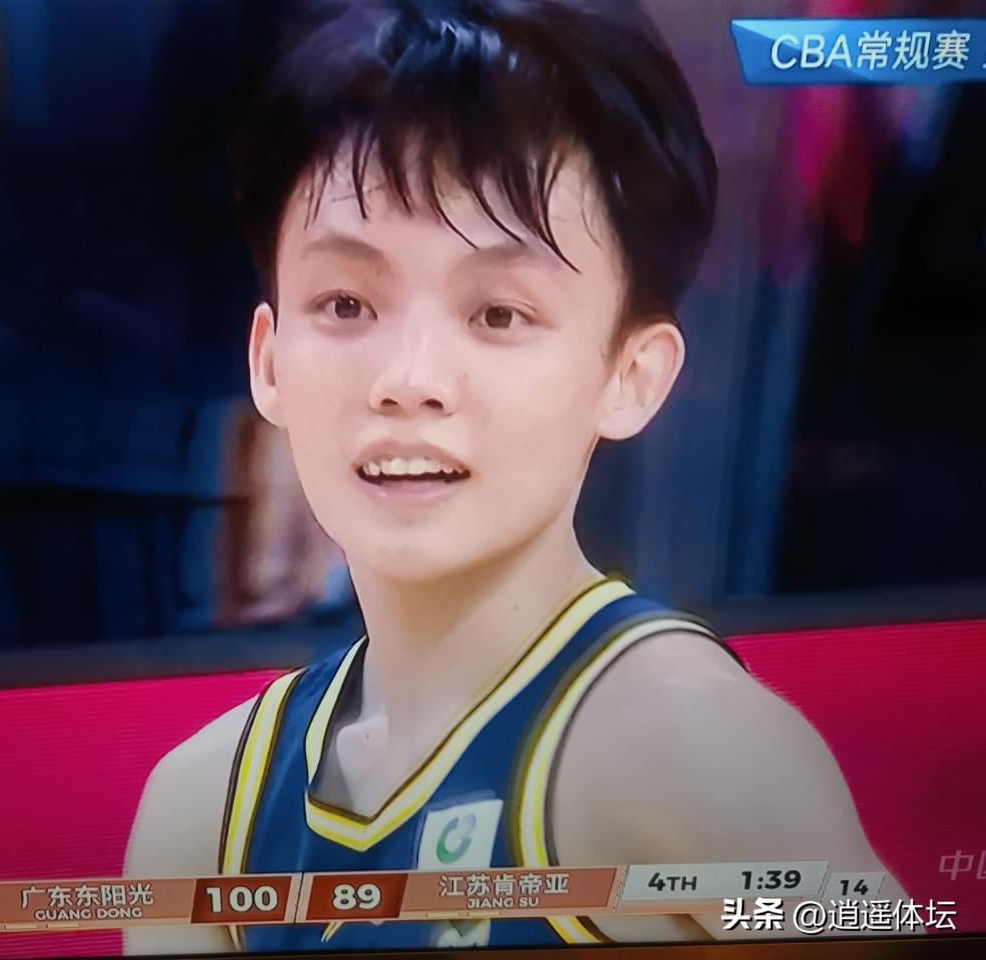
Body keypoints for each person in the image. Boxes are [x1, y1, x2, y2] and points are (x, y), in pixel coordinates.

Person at [124, 0, 905, 951]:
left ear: (633, 376)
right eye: (345, 303)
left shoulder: (697, 753)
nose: (408, 379)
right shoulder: (202, 810)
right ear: (269, 361)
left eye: (498, 314)